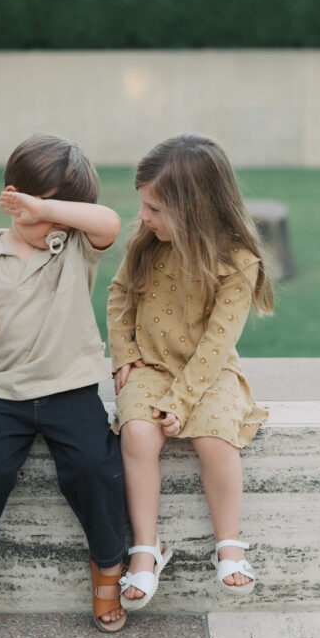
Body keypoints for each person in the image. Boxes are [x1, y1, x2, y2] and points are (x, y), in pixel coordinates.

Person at [0, 134, 127, 636]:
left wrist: (48, 210)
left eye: (65, 210)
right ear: (12, 197)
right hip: (4, 390)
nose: (58, 220)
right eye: (46, 208)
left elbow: (109, 222)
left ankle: (109, 564)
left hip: (70, 385)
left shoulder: (72, 246)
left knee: (94, 467)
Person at [106, 134, 273, 610]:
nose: (143, 217)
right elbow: (120, 295)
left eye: (154, 208)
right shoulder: (149, 243)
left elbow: (217, 345)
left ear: (194, 208)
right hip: (153, 366)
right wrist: (124, 355)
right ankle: (146, 547)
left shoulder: (238, 264)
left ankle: (229, 541)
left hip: (209, 372)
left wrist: (179, 403)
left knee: (215, 439)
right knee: (137, 435)